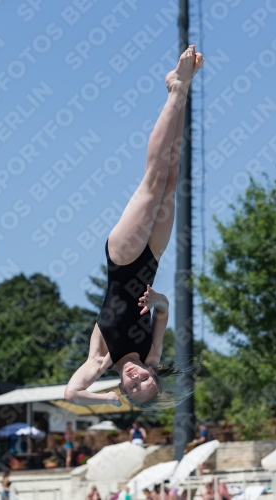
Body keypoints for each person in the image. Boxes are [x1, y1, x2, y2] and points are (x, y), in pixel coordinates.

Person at [64, 45, 204, 409]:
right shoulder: (152, 354)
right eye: (146, 380)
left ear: (125, 389)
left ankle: (175, 87)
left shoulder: (102, 358)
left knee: (154, 179)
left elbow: (71, 393)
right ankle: (183, 90)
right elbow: (163, 309)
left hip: (124, 257)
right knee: (171, 180)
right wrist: (158, 300)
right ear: (153, 374)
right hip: (151, 259)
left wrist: (104, 400)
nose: (138, 377)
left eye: (133, 387)